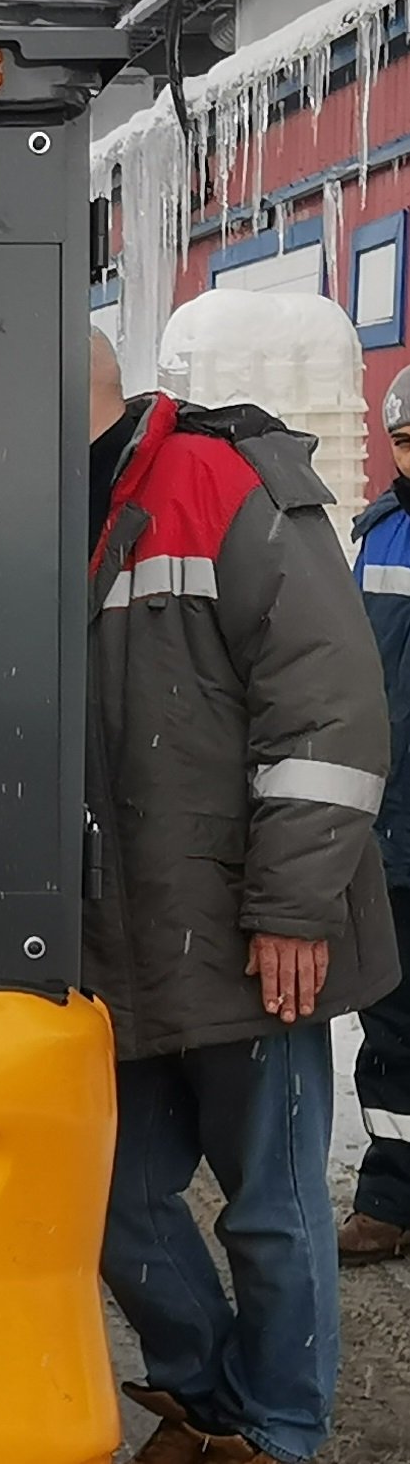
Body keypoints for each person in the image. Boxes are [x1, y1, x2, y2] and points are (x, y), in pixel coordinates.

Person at [85, 330, 399, 1464]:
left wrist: (292, 906)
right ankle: (207, 1397)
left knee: (270, 1207)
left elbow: (331, 710)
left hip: (240, 928)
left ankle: (276, 1430)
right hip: (103, 939)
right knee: (111, 1198)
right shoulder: (30, 505)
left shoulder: (221, 480)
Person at [338, 365, 410, 1264]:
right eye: (403, 440)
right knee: (390, 1023)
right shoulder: (379, 532)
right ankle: (389, 1199)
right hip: (391, 827)